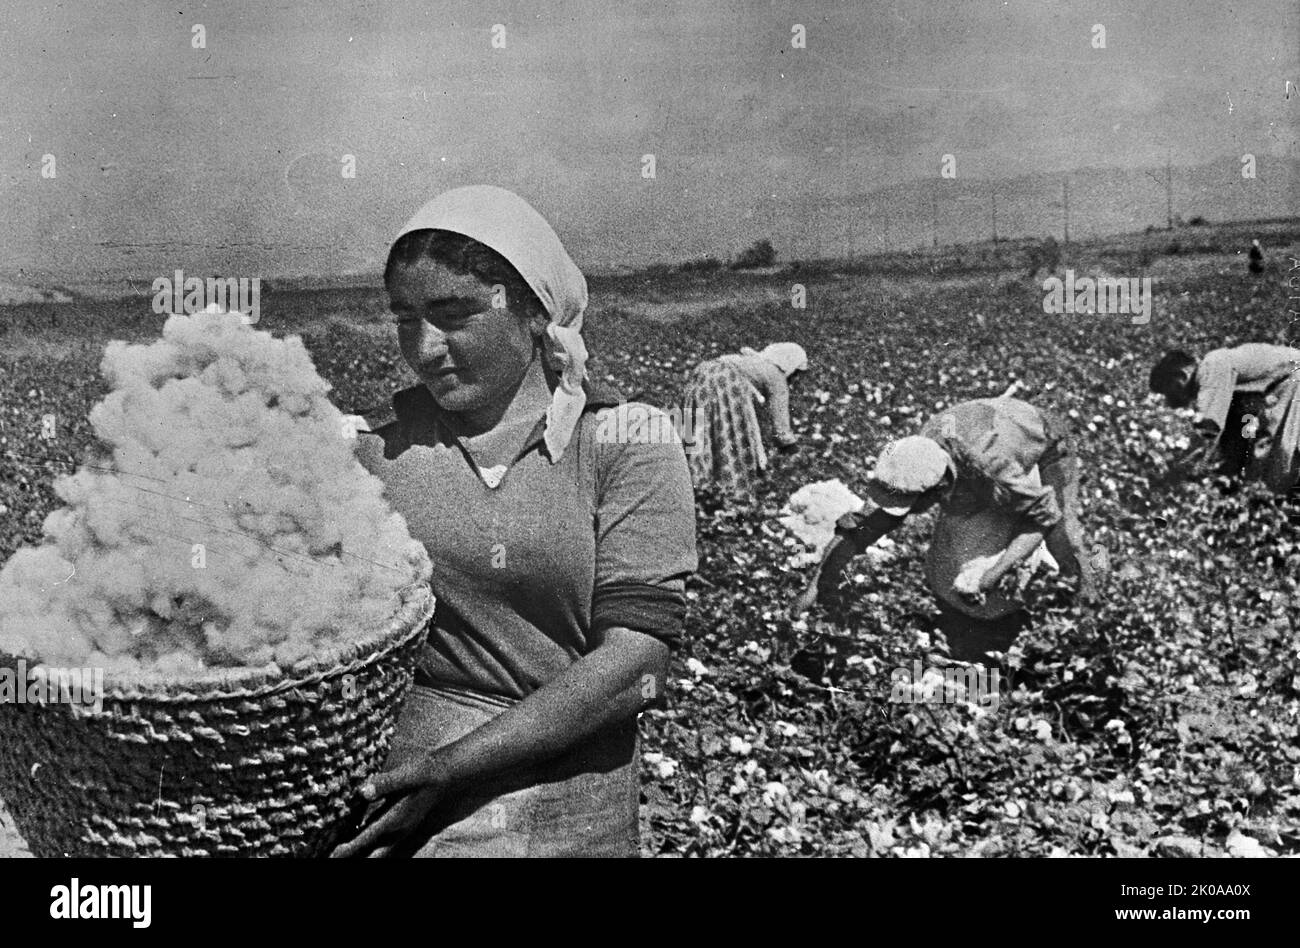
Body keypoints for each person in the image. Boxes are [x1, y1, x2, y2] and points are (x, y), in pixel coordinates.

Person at [332, 186, 698, 857]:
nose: (425, 348)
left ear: (532, 312)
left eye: (453, 315)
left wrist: (451, 768)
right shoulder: (376, 456)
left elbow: (634, 664)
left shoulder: (622, 443)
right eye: (405, 320)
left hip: (570, 814)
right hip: (409, 818)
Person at [791, 396, 1096, 658]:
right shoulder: (916, 457)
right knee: (955, 554)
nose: (907, 513)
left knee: (1062, 534)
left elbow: (1040, 520)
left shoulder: (992, 466)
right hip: (985, 434)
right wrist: (814, 587)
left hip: (1040, 438)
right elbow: (863, 525)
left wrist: (990, 577)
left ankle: (1087, 609)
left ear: (939, 488)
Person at [1149, 344, 1300, 491]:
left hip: (1294, 378)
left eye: (1169, 390)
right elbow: (1233, 427)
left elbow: (1209, 429)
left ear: (1181, 376)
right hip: (1285, 381)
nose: (1171, 398)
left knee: (1284, 452)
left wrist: (1178, 470)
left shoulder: (1210, 367)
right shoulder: (1216, 369)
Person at [681, 342, 808, 496]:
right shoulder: (776, 376)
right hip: (725, 379)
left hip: (703, 372)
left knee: (700, 428)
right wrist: (789, 445)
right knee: (730, 432)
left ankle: (693, 478)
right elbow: (779, 420)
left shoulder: (754, 362)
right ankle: (728, 484)